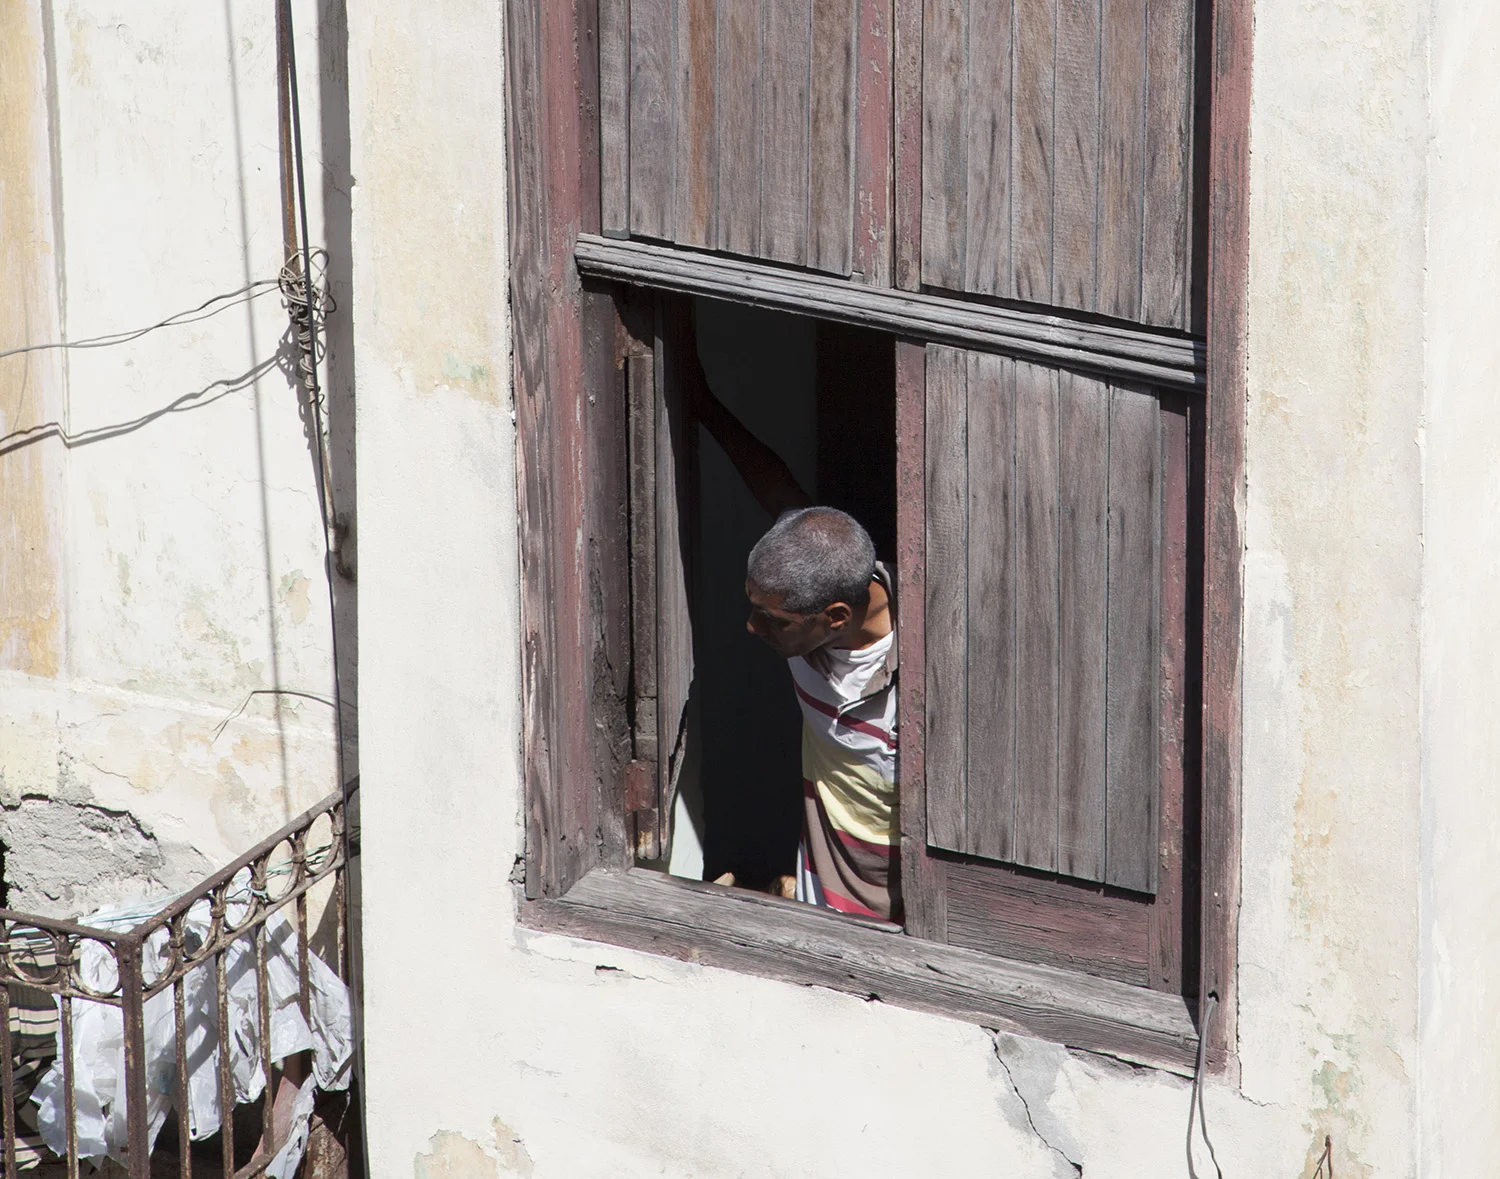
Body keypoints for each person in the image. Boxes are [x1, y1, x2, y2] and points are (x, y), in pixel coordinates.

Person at [687, 332, 901, 924]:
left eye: (773, 620)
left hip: (896, 912)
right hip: (816, 891)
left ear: (836, 618)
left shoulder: (920, 673)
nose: (752, 627)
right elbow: (776, 489)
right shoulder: (817, 585)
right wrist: (702, 403)